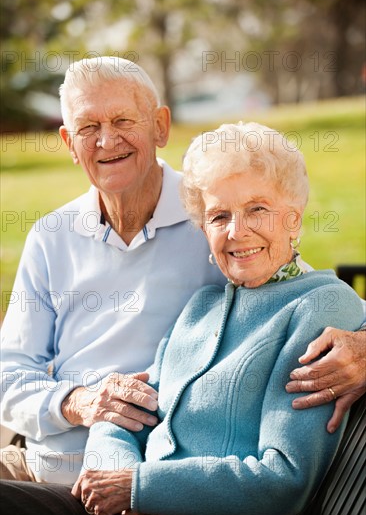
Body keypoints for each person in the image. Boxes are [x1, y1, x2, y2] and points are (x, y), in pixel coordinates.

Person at [0, 57, 365, 487]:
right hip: (38, 466)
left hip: (139, 479)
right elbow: (10, 375)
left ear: (160, 126)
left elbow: (304, 288)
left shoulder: (215, 218)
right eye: (87, 128)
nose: (106, 140)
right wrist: (80, 402)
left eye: (122, 120)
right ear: (67, 142)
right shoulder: (51, 236)